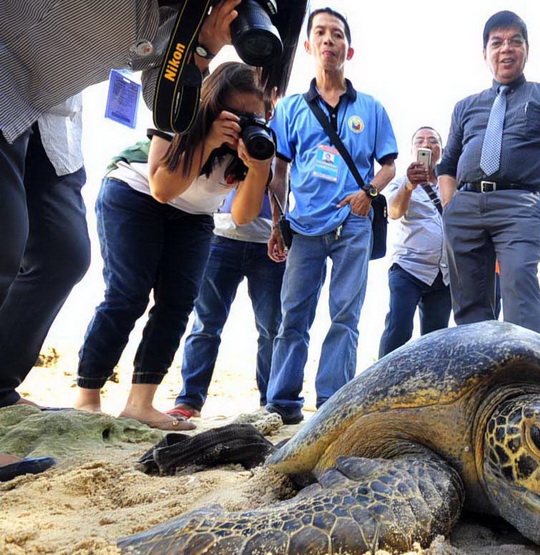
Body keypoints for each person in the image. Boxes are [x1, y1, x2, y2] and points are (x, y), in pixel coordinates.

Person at [74, 62, 274, 430]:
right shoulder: (180, 112)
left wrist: (259, 168)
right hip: (135, 194)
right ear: (214, 105)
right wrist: (209, 139)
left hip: (196, 216)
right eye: (235, 115)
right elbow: (162, 187)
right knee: (127, 295)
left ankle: (141, 403)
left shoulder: (258, 146)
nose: (244, 125)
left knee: (178, 303)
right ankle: (87, 396)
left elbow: (244, 216)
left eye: (254, 117)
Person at [242, 8, 397, 425]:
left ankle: (332, 403)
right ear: (309, 45)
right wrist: (277, 223)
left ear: (350, 48)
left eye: (338, 34)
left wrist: (368, 193)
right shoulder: (291, 108)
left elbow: (388, 166)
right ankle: (281, 402)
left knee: (346, 316)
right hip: (305, 226)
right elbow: (279, 170)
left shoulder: (372, 107)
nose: (330, 40)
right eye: (321, 33)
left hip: (354, 224)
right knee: (293, 314)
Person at [437, 10, 540, 335]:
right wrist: (450, 207)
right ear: (485, 53)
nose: (506, 49)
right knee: (469, 304)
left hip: (520, 204)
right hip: (465, 206)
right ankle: (483, 379)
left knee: (520, 287)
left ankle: (530, 379)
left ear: (526, 50)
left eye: (514, 41)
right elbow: (447, 165)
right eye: (497, 43)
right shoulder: (465, 106)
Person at [168, 192, 285, 421]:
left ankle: (270, 402)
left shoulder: (284, 154)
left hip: (269, 240)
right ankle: (189, 400)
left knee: (271, 328)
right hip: (220, 235)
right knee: (205, 325)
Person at [378, 127, 451, 357]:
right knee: (398, 330)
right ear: (412, 150)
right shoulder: (400, 182)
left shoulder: (451, 183)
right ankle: (382, 384)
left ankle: (430, 389)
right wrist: (409, 186)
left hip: (444, 274)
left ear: (441, 149)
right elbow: (394, 211)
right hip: (409, 269)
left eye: (433, 140)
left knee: (436, 340)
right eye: (420, 140)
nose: (427, 144)